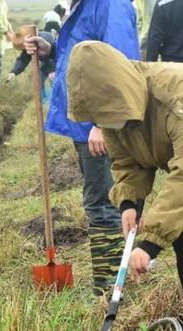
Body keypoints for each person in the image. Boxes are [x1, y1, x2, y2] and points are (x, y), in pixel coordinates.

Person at [24, 0, 140, 296]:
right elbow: (84, 55)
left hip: (101, 126)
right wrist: (50, 49)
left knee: (104, 203)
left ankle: (111, 289)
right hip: (85, 124)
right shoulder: (81, 6)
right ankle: (113, 281)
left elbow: (119, 65)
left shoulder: (109, 5)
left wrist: (102, 123)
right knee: (100, 200)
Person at [66, 41, 183, 285]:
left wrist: (149, 244)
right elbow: (128, 160)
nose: (104, 123)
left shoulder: (173, 96)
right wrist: (129, 202)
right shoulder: (110, 112)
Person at [6, 25, 57, 103]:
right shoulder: (29, 43)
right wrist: (14, 71)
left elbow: (51, 56)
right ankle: (43, 99)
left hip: (56, 61)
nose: (24, 50)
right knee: (39, 79)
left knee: (55, 81)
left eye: (23, 48)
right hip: (45, 63)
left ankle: (56, 100)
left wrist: (51, 70)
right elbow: (23, 59)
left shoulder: (45, 38)